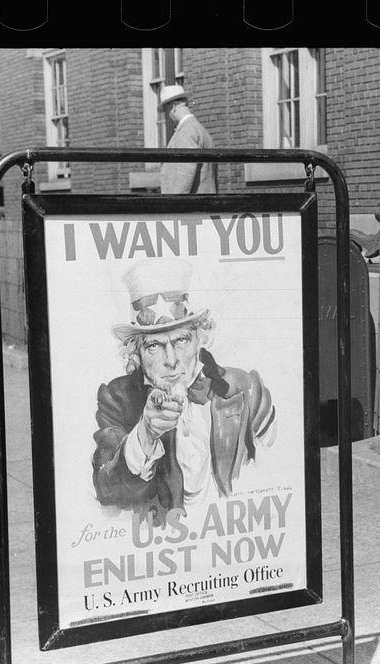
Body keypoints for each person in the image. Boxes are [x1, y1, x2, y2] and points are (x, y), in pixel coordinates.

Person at [91, 259, 276, 520]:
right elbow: (106, 489)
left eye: (181, 340)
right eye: (154, 345)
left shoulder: (246, 388)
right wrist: (146, 434)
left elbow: (276, 471)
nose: (172, 359)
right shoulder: (116, 398)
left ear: (200, 339)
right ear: (136, 354)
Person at [158, 84, 218, 194]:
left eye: (166, 111)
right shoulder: (200, 129)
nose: (167, 116)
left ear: (174, 106)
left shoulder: (186, 132)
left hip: (191, 206)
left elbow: (184, 177)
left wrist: (170, 204)